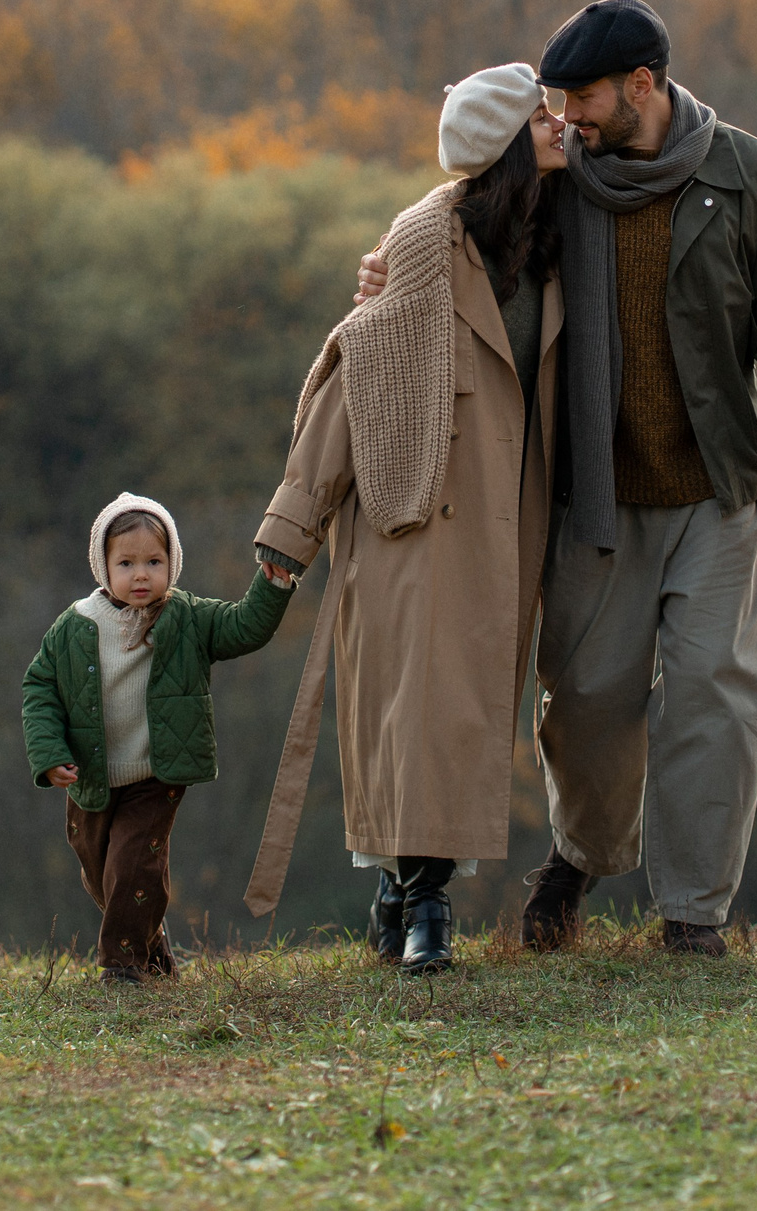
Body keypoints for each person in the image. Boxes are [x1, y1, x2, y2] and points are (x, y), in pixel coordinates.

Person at [360, 0, 757, 957]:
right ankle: (581, 854)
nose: (566, 115)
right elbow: (466, 223)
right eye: (557, 98)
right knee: (585, 703)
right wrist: (395, 272)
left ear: (644, 85)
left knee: (716, 697)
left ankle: (693, 915)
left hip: (716, 488)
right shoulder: (556, 181)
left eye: (582, 96)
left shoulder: (749, 177)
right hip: (590, 494)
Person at [244, 65, 570, 975]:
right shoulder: (427, 241)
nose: (560, 127)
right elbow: (361, 372)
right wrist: (292, 527)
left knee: (464, 719)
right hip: (417, 512)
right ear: (506, 142)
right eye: (541, 118)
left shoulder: (558, 232)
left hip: (511, 520)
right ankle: (426, 901)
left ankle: (399, 890)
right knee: (421, 713)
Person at [21, 492, 298, 983]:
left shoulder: (187, 617)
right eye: (126, 563)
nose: (141, 574)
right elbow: (40, 689)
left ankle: (122, 967)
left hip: (157, 772)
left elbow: (243, 627)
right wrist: (49, 754)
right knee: (100, 871)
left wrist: (271, 589)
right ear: (102, 567)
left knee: (132, 866)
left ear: (172, 563)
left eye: (154, 561)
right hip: (92, 775)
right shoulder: (74, 625)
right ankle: (153, 955)